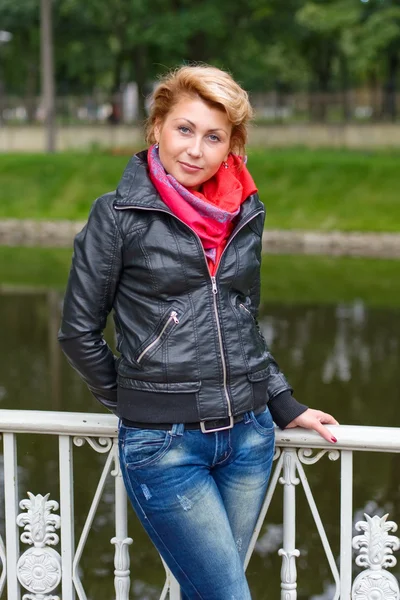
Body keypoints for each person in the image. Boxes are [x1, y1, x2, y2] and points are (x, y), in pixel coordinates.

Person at [58, 64, 338, 599]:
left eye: (213, 137)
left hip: (249, 437)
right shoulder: (116, 216)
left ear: (232, 145)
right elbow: (77, 331)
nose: (195, 149)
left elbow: (240, 321)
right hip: (166, 448)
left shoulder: (245, 213)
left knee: (204, 593)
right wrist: (139, 401)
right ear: (156, 127)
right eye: (183, 129)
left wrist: (282, 400)